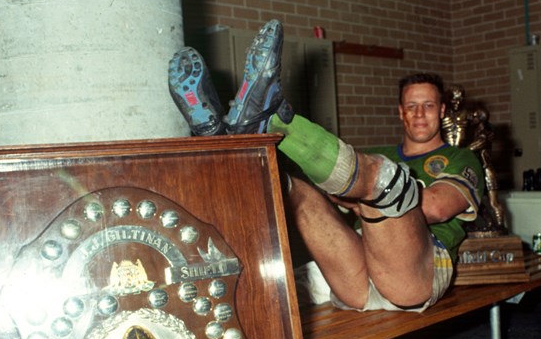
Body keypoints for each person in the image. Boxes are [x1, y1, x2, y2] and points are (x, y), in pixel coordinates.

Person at [168, 19, 484, 312]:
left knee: (384, 178)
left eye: (428, 106)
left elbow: (437, 208)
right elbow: (331, 200)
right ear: (401, 112)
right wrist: (354, 196)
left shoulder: (461, 158)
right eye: (411, 106)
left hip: (415, 278)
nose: (419, 114)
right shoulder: (375, 151)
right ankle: (226, 141)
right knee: (299, 192)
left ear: (442, 110)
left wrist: (359, 197)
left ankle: (275, 120)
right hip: (356, 278)